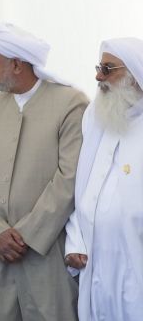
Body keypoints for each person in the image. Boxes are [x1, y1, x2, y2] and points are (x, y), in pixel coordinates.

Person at [0, 22, 89, 320]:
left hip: (46, 255)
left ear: (17, 65)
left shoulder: (71, 103)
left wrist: (24, 236)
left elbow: (69, 179)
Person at [65, 37, 143, 321]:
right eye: (99, 67)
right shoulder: (96, 118)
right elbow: (83, 193)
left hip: (135, 265)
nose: (98, 77)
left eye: (108, 69)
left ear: (135, 75)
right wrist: (74, 243)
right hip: (96, 267)